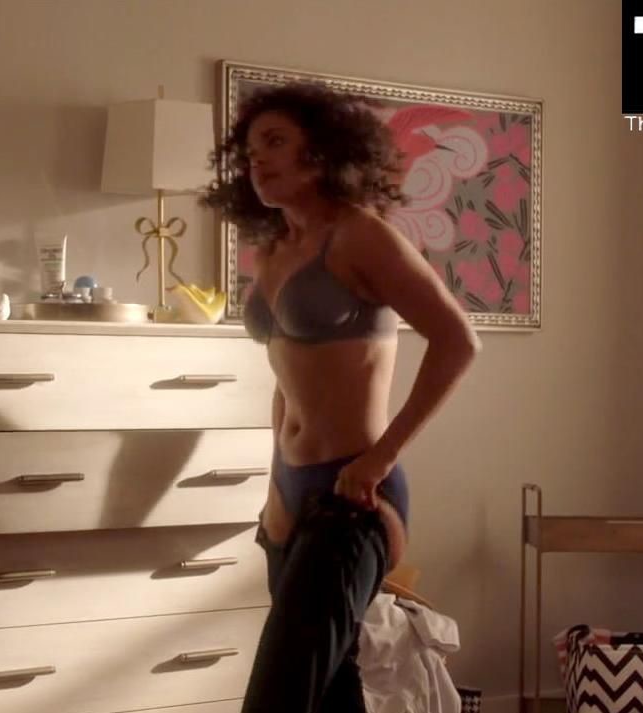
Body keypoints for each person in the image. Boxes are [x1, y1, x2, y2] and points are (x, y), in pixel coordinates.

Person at [201, 82, 482, 712]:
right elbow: (287, 377)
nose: (258, 158)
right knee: (330, 694)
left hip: (353, 497)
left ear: (322, 151)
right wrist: (275, 489)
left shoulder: (361, 237)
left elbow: (457, 342)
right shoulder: (274, 249)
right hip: (290, 493)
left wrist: (379, 460)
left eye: (276, 141)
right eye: (250, 149)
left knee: (278, 698)